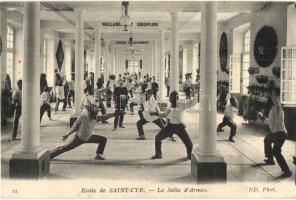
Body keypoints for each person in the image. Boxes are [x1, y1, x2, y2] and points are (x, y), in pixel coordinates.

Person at [50, 104, 115, 160]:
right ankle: (50, 155)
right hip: (79, 138)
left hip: (88, 137)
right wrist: (68, 134)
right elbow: (74, 127)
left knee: (103, 139)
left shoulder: (94, 118)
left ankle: (98, 155)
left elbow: (106, 116)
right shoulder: (84, 118)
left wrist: (115, 114)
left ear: (89, 112)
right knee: (65, 148)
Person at [151, 91, 194, 159]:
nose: (174, 99)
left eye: (176, 98)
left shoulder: (181, 105)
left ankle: (189, 156)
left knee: (189, 144)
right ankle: (158, 154)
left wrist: (193, 96)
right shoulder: (169, 107)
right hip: (170, 127)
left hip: (180, 127)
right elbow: (164, 115)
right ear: (170, 98)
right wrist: (155, 114)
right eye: (172, 98)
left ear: (177, 98)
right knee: (158, 138)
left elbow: (190, 104)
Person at [263, 92, 292, 178]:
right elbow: (271, 122)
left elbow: (277, 102)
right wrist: (263, 118)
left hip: (280, 133)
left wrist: (274, 96)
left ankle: (287, 171)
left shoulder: (278, 108)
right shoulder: (273, 108)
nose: (272, 99)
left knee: (276, 151)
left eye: (274, 98)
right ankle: (270, 159)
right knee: (267, 140)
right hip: (276, 132)